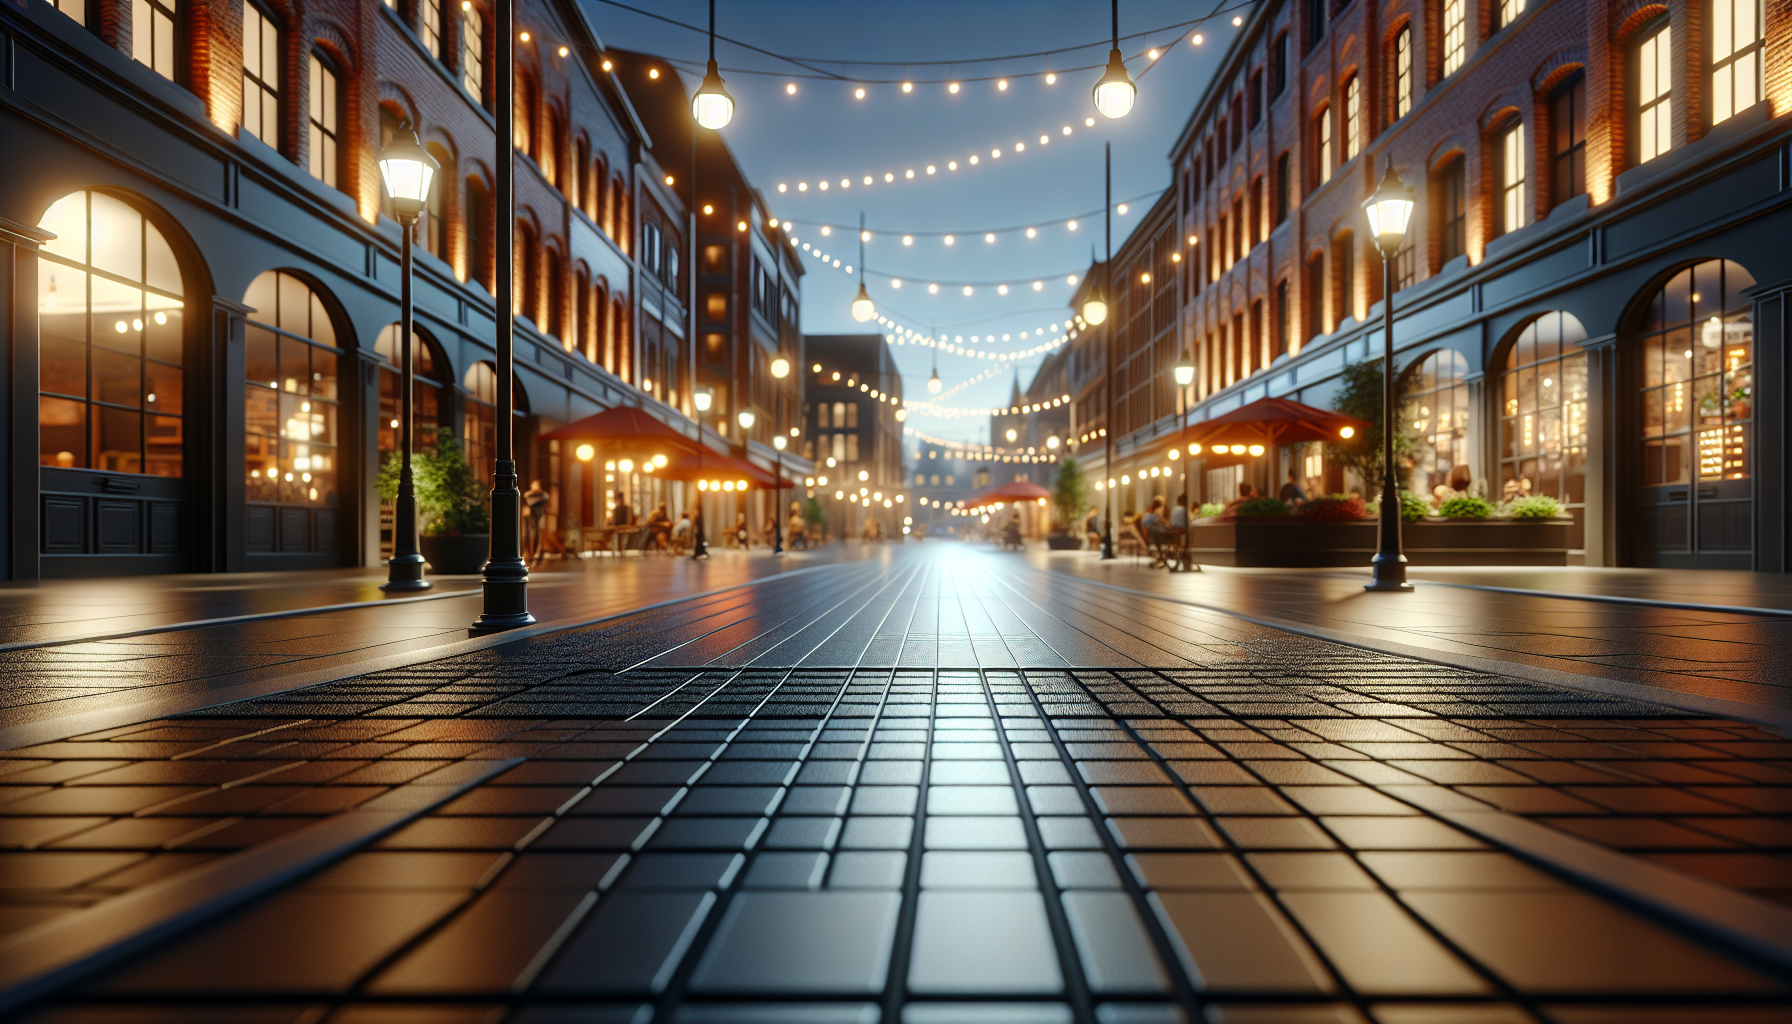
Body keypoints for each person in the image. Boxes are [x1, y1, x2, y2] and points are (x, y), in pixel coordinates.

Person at [522, 479, 549, 559]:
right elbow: (526, 497)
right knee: (528, 535)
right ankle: (528, 553)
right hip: (531, 518)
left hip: (540, 516)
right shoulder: (529, 495)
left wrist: (538, 492)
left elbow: (546, 497)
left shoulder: (542, 495)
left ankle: (537, 552)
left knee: (539, 534)